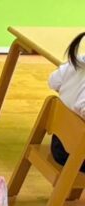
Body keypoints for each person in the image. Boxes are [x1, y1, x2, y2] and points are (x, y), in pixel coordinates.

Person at [48, 31, 85, 169]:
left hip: (59, 143)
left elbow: (53, 82)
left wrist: (70, 90)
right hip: (76, 155)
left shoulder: (75, 63)